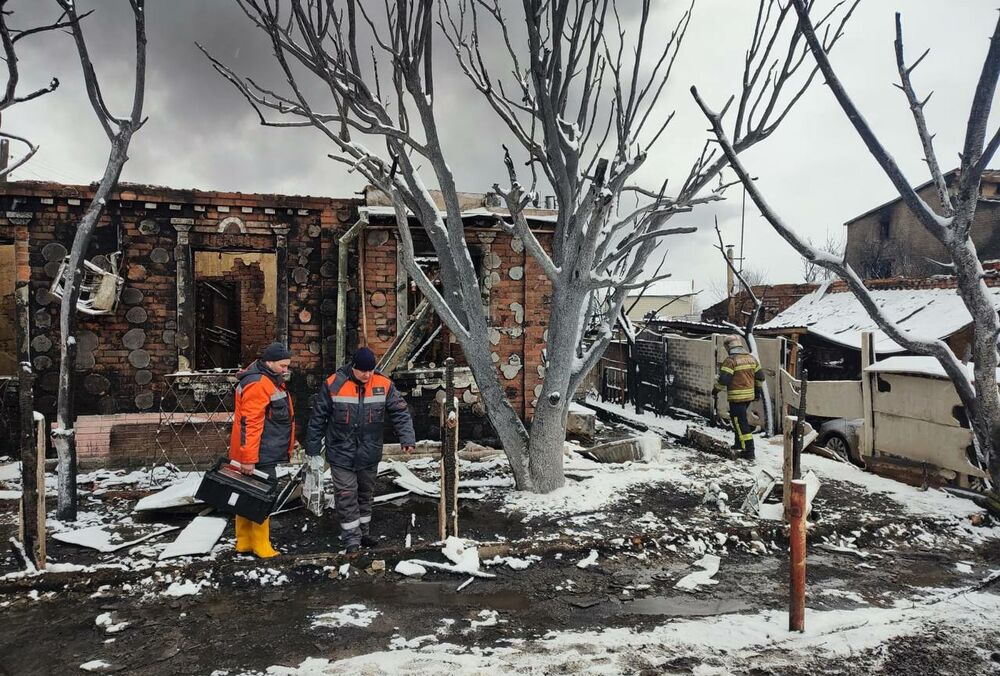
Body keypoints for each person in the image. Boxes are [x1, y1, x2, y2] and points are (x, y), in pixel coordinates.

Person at [306, 347, 415, 553]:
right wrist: (312, 448)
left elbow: (400, 412)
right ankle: (351, 540)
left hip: (369, 452)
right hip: (340, 452)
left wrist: (407, 438)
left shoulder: (383, 384)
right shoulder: (333, 385)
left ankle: (363, 532)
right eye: (362, 371)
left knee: (365, 494)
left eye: (370, 370)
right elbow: (318, 418)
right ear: (353, 367)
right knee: (346, 495)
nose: (367, 375)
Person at [228, 342, 295, 558]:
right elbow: (251, 423)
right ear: (269, 362)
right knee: (261, 497)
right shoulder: (259, 384)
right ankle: (261, 545)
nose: (286, 370)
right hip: (259, 453)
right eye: (283, 365)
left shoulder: (260, 378)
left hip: (255, 451)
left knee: (247, 494)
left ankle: (245, 542)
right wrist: (249, 459)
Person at [715, 335, 765, 461]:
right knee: (739, 421)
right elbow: (760, 377)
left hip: (737, 398)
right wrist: (757, 391)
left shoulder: (731, 360)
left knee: (740, 423)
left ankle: (749, 451)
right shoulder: (751, 359)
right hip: (748, 397)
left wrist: (715, 390)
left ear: (728, 347)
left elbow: (724, 380)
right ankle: (739, 444)